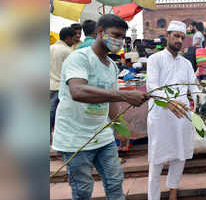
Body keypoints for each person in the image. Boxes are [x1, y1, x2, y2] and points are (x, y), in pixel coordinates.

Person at [52, 14, 149, 200]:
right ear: (100, 32)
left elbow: (111, 101)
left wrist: (119, 127)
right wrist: (124, 95)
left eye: (122, 36)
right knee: (82, 189)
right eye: (115, 35)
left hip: (102, 135)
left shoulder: (111, 66)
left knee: (115, 182)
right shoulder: (79, 59)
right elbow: (78, 91)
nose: (119, 40)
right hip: (76, 139)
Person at [146, 20, 199, 200]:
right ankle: (153, 197)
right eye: (176, 36)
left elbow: (195, 88)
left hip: (182, 116)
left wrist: (205, 100)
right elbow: (152, 87)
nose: (179, 40)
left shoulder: (186, 64)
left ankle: (173, 191)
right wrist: (169, 102)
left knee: (180, 155)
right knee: (156, 159)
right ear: (167, 35)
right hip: (160, 115)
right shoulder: (155, 59)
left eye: (182, 37)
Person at [50, 27, 75, 136]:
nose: (74, 41)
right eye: (73, 39)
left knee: (49, 113)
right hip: (60, 87)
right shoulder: (68, 51)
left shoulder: (50, 48)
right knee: (61, 115)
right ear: (67, 38)